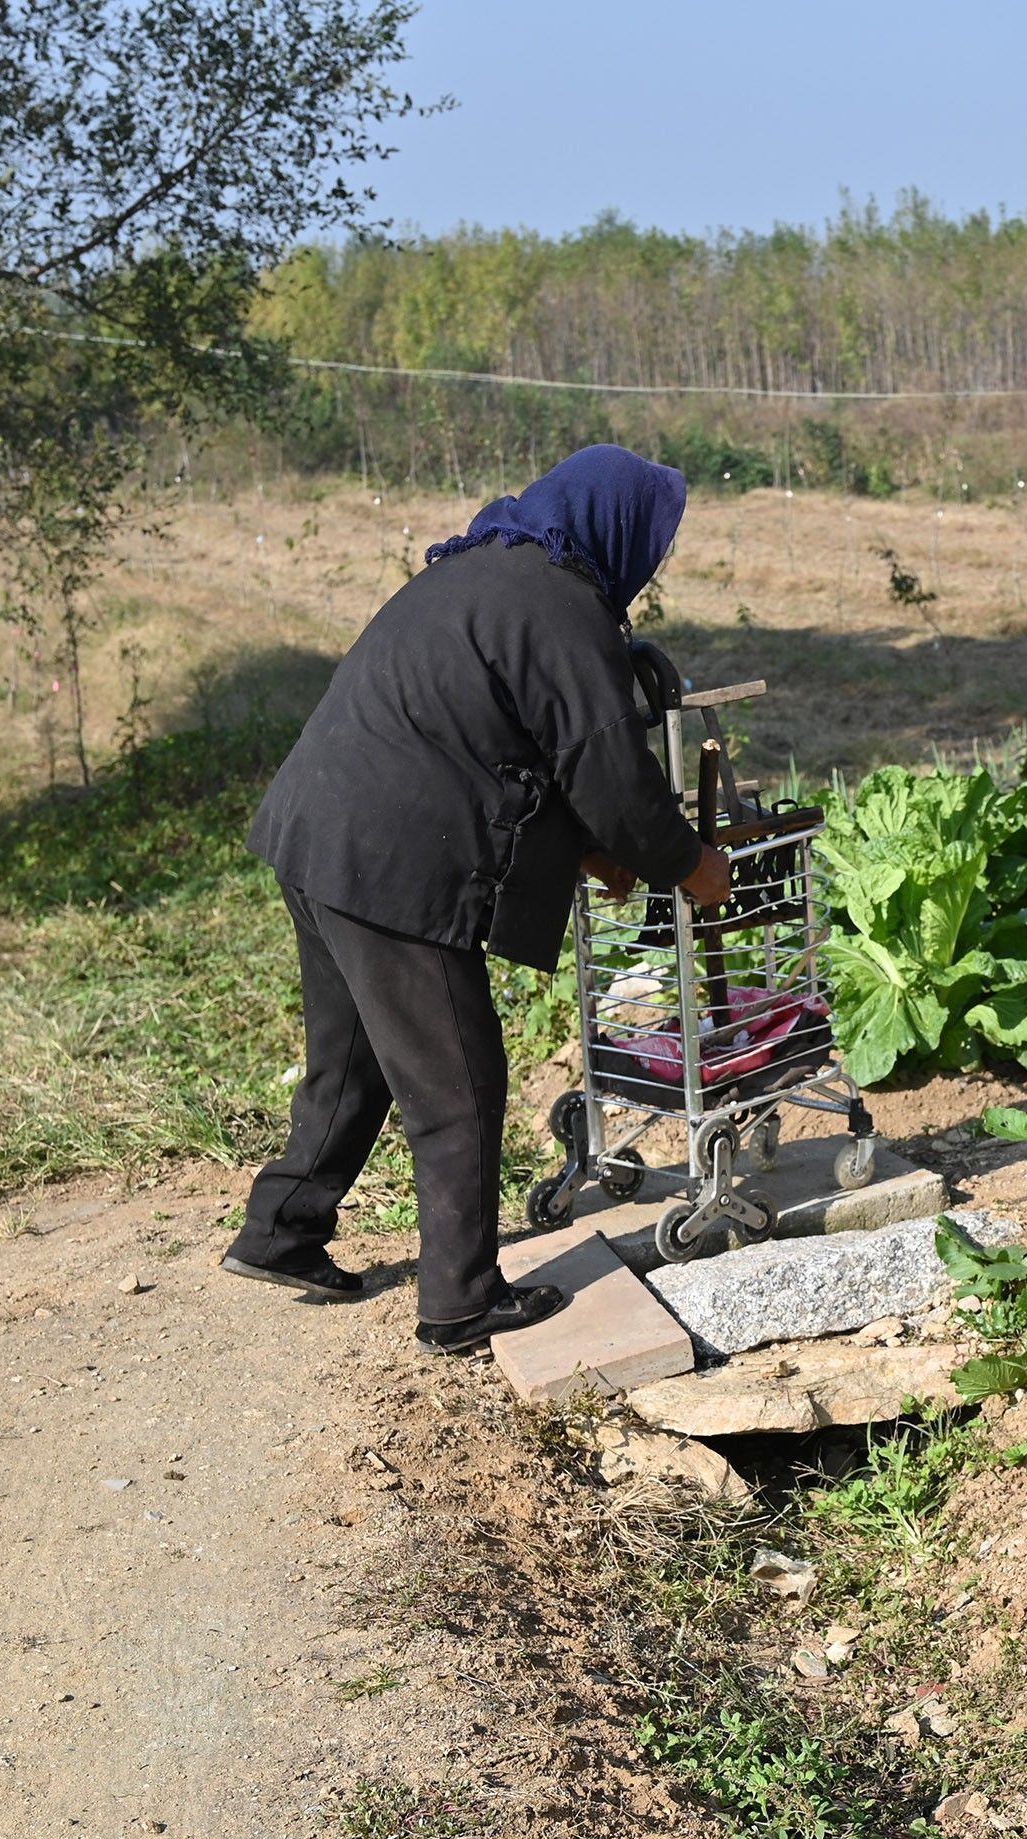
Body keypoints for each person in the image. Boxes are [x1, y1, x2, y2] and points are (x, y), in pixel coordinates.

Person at [221, 445, 732, 1354]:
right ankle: (459, 1300)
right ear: (617, 529)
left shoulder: (487, 574)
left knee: (351, 1059)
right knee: (459, 1080)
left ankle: (281, 1231)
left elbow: (487, 732)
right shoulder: (564, 608)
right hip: (386, 859)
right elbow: (612, 775)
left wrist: (587, 850)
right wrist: (689, 862)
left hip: (317, 828)